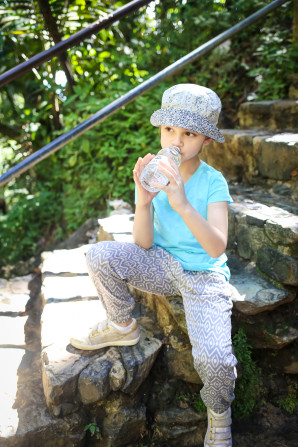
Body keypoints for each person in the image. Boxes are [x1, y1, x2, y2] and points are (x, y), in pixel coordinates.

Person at [70, 84, 237, 447]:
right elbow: (143, 245)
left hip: (203, 276)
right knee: (99, 255)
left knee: (216, 360)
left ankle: (220, 414)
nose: (175, 143)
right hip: (162, 262)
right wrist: (143, 202)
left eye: (188, 133)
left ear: (206, 139)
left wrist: (181, 203)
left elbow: (216, 247)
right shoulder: (157, 173)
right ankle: (122, 324)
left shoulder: (212, 182)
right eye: (168, 131)